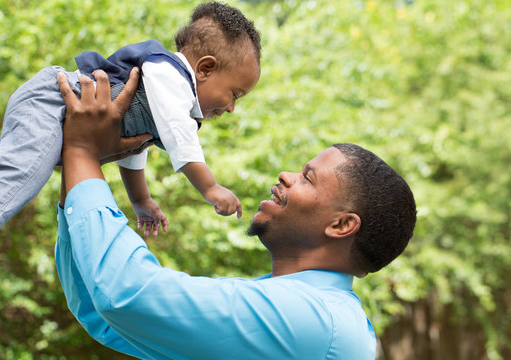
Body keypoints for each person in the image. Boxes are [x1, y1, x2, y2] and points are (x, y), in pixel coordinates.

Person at [54, 68, 417, 359]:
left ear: (341, 225)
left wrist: (82, 149)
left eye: (307, 178)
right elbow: (102, 315)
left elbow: (126, 294)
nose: (285, 176)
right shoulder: (298, 308)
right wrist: (77, 167)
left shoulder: (313, 319)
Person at [0, 1, 262, 279]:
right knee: (24, 171)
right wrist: (210, 188)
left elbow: (134, 147)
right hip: (53, 101)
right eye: (234, 94)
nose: (232, 107)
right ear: (205, 69)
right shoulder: (171, 75)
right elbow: (179, 135)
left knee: (28, 177)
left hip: (64, 118)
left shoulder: (166, 96)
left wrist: (140, 199)